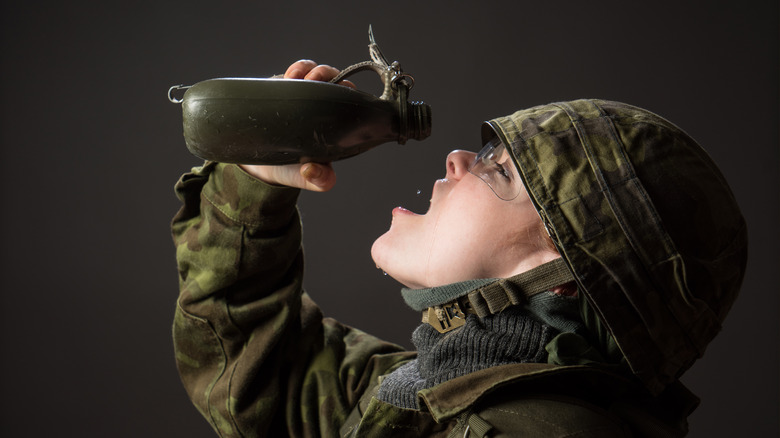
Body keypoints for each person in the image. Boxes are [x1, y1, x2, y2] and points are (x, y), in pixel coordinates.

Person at [171, 60, 748, 437]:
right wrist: (252, 186)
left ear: (560, 275)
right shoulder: (436, 391)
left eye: (499, 171)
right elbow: (265, 377)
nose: (456, 160)